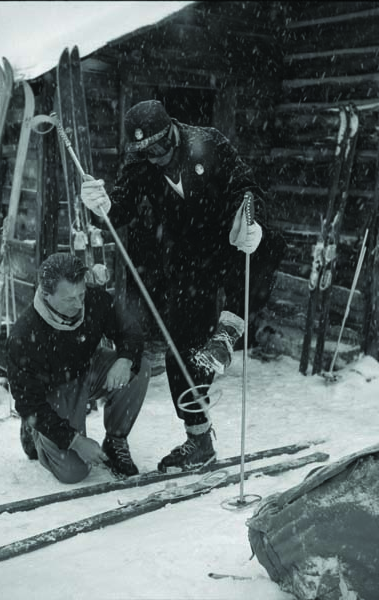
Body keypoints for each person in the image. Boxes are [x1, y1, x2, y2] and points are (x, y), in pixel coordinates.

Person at [81, 100, 286, 472]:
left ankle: (230, 328)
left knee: (268, 244)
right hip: (189, 257)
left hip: (232, 235)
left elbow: (246, 186)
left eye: (160, 148)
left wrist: (251, 219)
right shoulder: (141, 162)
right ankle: (199, 439)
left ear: (172, 133)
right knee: (182, 344)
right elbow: (121, 208)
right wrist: (101, 206)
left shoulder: (208, 143)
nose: (155, 158)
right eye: (146, 152)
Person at [6, 252, 150, 483]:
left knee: (139, 367)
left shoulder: (93, 299)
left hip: (87, 369)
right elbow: (27, 402)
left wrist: (125, 360)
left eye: (81, 294)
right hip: (52, 391)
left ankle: (116, 440)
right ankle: (35, 434)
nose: (78, 303)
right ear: (46, 294)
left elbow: (130, 330)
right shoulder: (24, 336)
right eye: (69, 299)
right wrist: (76, 442)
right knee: (74, 472)